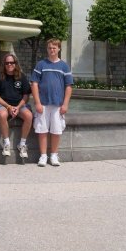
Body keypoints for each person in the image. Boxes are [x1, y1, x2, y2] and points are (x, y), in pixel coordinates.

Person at [30, 38, 73, 167]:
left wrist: (65, 104)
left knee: (56, 130)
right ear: (47, 49)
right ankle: (43, 156)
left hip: (57, 104)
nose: (52, 50)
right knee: (42, 130)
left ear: (59, 49)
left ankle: (54, 155)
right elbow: (34, 83)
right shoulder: (41, 65)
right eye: (49, 48)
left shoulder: (64, 66)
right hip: (43, 103)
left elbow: (69, 86)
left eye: (54, 48)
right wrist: (37, 102)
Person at [0, 53, 33, 161]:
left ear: (15, 64)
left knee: (29, 116)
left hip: (19, 105)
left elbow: (26, 95)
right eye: (7, 63)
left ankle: (22, 144)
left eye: (12, 62)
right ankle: (6, 143)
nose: (9, 65)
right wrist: (8, 106)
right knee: (2, 114)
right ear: (4, 64)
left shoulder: (21, 76)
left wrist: (17, 107)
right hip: (2, 104)